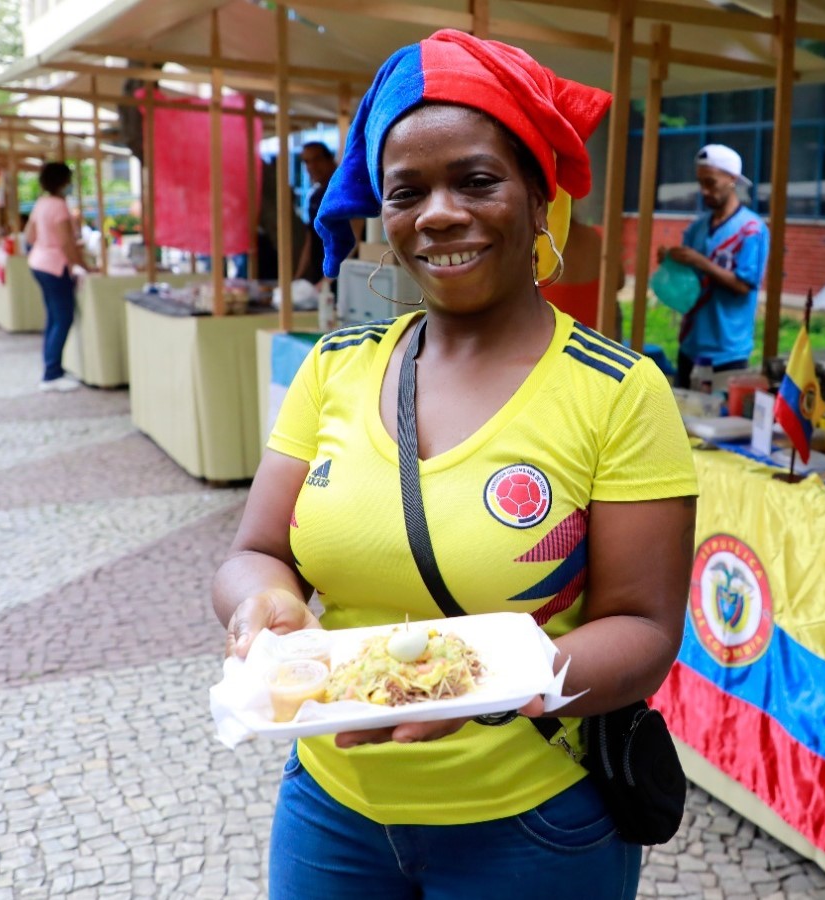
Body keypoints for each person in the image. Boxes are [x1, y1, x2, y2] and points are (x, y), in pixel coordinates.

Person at [214, 30, 697, 900]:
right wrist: (266, 603)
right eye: (408, 192)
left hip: (534, 826)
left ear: (539, 196)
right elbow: (256, 549)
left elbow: (645, 629)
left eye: (476, 180)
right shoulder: (337, 366)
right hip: (332, 813)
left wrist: (496, 687)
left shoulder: (621, 392)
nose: (437, 212)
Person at [658, 144, 769, 388]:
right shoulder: (697, 227)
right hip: (691, 345)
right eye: (700, 183)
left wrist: (700, 262)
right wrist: (670, 263)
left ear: (731, 179)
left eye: (710, 182)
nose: (704, 191)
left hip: (727, 350)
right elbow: (687, 283)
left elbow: (743, 285)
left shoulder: (751, 229)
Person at [23, 163, 92, 392]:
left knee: (53, 317)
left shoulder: (41, 203)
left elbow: (30, 235)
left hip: (38, 263)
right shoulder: (59, 206)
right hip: (55, 266)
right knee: (63, 317)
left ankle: (52, 368)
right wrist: (82, 265)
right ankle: (52, 372)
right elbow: (65, 242)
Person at [539, 212, 624, 338]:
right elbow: (619, 281)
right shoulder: (599, 239)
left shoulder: (534, 243)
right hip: (599, 346)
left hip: (551, 348)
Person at [294, 141, 337, 285]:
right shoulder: (315, 196)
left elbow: (352, 240)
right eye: (307, 162)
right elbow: (311, 238)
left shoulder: (343, 192)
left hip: (341, 281)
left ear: (330, 159)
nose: (311, 167)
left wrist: (326, 282)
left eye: (317, 159)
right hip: (319, 279)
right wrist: (297, 278)